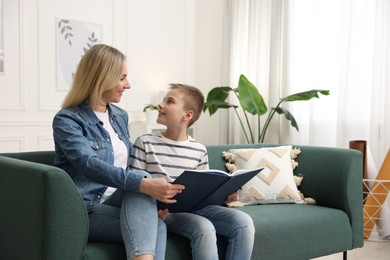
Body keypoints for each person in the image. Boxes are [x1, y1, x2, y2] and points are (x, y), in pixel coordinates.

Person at [52, 44, 185, 260]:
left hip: (116, 201)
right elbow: (87, 162)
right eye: (122, 78)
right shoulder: (67, 120)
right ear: (102, 77)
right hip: (84, 209)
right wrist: (143, 184)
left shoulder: (120, 116)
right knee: (153, 217)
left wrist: (156, 196)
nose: (128, 85)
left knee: (144, 186)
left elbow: (131, 163)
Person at [130, 83, 255, 260]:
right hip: (165, 212)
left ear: (187, 115)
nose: (161, 105)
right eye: (163, 100)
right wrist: (150, 210)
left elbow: (203, 192)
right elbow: (134, 185)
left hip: (195, 208)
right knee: (203, 227)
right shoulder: (145, 142)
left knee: (244, 223)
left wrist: (224, 195)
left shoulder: (199, 149)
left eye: (169, 101)